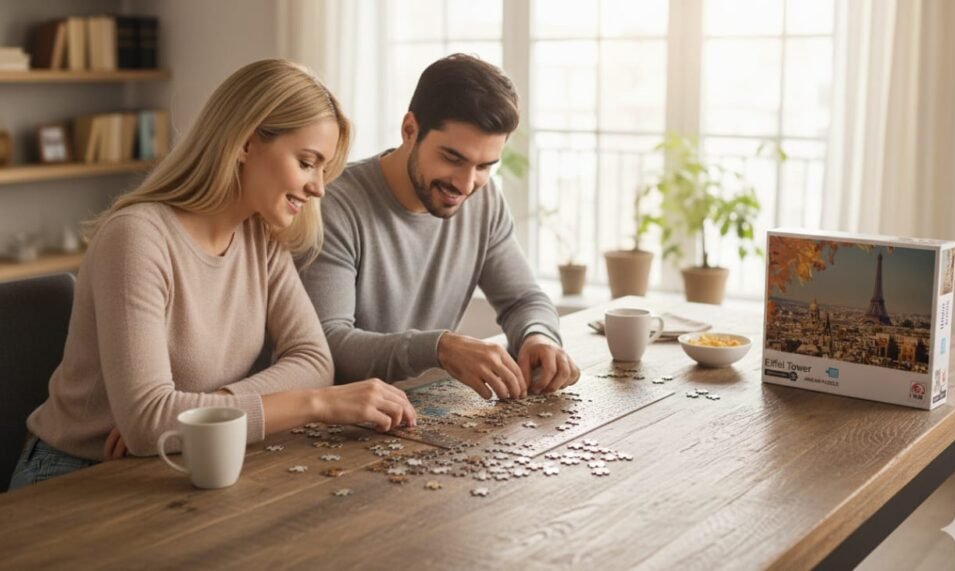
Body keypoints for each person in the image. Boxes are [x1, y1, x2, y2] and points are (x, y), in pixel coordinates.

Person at [8, 59, 416, 491]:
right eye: (307, 162)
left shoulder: (261, 238)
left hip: (182, 458)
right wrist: (316, 404)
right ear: (244, 142)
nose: (318, 187)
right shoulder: (137, 238)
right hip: (76, 475)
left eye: (323, 169)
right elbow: (149, 423)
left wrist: (204, 414)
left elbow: (315, 362)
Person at [300, 54, 581, 401]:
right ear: (409, 131)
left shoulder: (484, 200)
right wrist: (439, 348)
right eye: (453, 158)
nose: (466, 184)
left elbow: (523, 299)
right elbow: (330, 344)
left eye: (485, 166)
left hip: (421, 413)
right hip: (335, 424)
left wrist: (539, 337)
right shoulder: (334, 205)